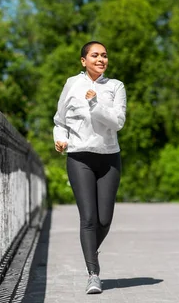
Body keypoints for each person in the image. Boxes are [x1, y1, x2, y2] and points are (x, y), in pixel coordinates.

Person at [53, 41, 127, 294]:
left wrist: (96, 105)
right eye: (95, 55)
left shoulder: (116, 86)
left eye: (104, 55)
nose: (101, 59)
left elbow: (118, 122)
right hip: (79, 157)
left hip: (108, 157)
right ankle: (93, 273)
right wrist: (59, 138)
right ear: (83, 61)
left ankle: (89, 250)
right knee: (88, 218)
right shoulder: (72, 84)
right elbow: (59, 120)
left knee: (104, 220)